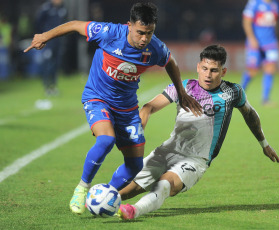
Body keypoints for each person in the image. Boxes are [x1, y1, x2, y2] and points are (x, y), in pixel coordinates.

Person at [24, 2, 202, 215]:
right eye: (140, 32)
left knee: (135, 165)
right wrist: (44, 36)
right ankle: (82, 188)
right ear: (129, 26)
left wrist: (181, 93)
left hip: (127, 108)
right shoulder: (108, 32)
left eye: (149, 33)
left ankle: (105, 195)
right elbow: (74, 24)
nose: (144, 38)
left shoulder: (155, 47)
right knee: (106, 140)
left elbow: (170, 62)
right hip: (98, 98)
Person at [116, 45, 279, 220]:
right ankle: (100, 202)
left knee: (167, 183)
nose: (208, 75)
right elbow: (149, 107)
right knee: (130, 189)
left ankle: (135, 211)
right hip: (168, 149)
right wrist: (140, 126)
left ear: (223, 71)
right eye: (205, 69)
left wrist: (264, 144)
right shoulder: (183, 87)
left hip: (197, 158)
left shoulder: (233, 92)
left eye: (214, 70)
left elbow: (250, 114)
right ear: (198, 67)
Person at [240, 0, 279, 105]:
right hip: (256, 42)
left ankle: (265, 99)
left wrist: (277, 38)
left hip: (270, 43)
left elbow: (276, 23)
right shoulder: (254, 3)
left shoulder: (275, 4)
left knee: (270, 69)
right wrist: (252, 39)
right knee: (252, 71)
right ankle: (238, 95)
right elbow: (246, 21)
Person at [34, 0, 67, 96]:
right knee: (48, 64)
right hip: (48, 42)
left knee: (56, 64)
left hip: (58, 41)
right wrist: (42, 37)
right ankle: (47, 87)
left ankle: (53, 86)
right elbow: (38, 23)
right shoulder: (46, 8)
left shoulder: (63, 9)